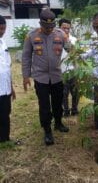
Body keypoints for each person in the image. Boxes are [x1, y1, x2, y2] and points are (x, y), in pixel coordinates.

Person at [22, 8, 69, 146]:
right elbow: (26, 57)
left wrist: (71, 42)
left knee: (57, 102)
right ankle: (47, 130)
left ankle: (58, 123)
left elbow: (71, 50)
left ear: (54, 24)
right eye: (46, 27)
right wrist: (26, 76)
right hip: (40, 77)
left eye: (51, 26)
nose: (49, 29)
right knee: (44, 106)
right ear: (40, 24)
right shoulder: (31, 36)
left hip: (57, 76)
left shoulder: (60, 35)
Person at [0, 15, 16, 143]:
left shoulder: (3, 42)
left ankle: (5, 138)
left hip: (5, 88)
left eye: (4, 29)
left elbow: (7, 66)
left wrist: (11, 87)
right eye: (0, 29)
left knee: (5, 113)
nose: (2, 31)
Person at [59, 18, 79, 117]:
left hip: (73, 70)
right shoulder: (56, 40)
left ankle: (74, 109)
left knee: (75, 92)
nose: (66, 30)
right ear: (59, 28)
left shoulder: (74, 40)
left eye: (68, 28)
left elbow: (76, 55)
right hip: (61, 71)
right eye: (64, 28)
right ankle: (65, 111)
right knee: (64, 93)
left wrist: (77, 69)